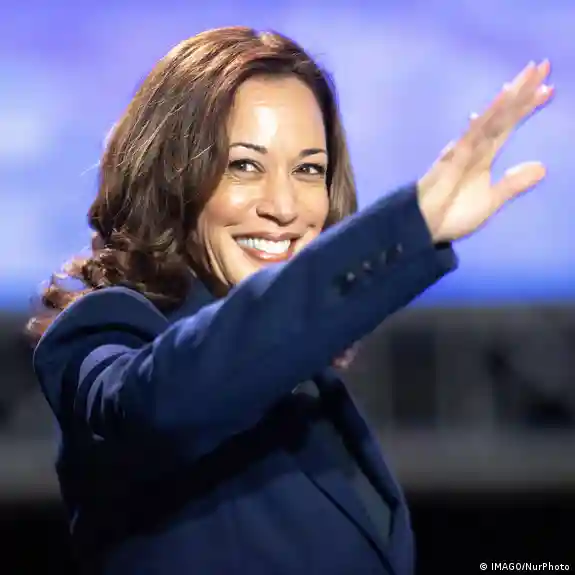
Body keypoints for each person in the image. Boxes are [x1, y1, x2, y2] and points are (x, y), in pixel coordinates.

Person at [28, 26, 552, 575]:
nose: (283, 207)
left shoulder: (312, 395)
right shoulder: (106, 337)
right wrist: (409, 228)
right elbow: (166, 401)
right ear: (169, 177)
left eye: (308, 169)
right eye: (243, 165)